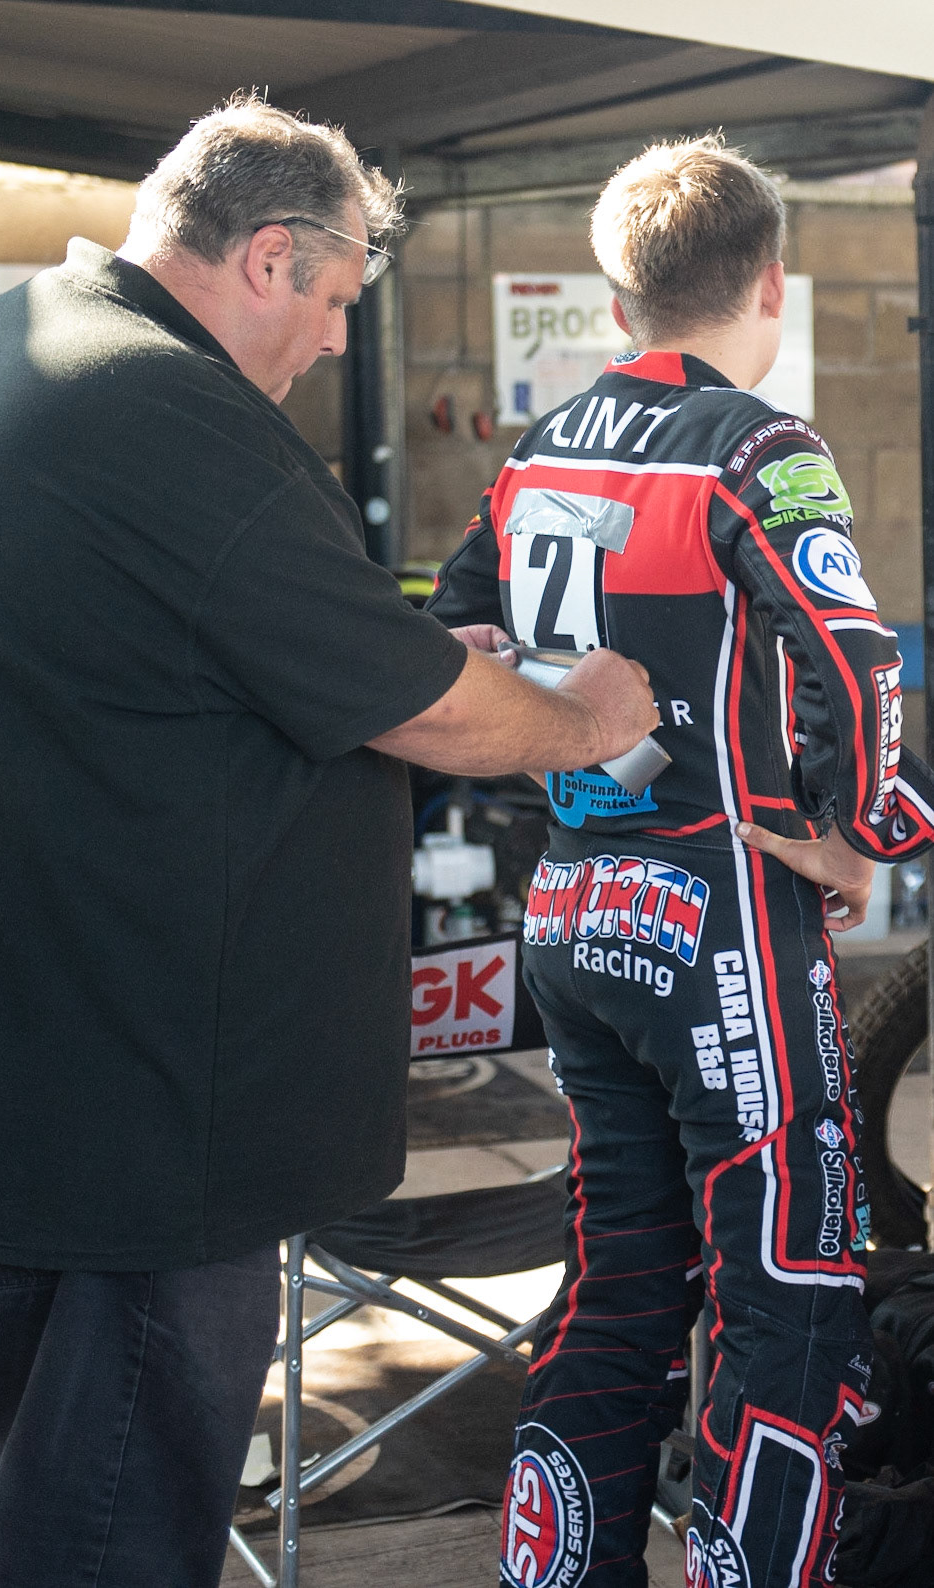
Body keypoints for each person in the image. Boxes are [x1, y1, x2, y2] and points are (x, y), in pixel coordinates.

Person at [0, 97, 656, 1588]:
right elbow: (449, 723)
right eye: (340, 300)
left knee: (36, 1485)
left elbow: (154, 649)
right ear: (270, 256)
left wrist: (403, 647)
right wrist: (585, 715)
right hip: (130, 1128)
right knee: (104, 1539)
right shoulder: (166, 409)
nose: (339, 341)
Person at [427, 134, 934, 1588]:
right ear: (770, 284)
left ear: (615, 295)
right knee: (788, 1279)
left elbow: (454, 637)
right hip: (719, 921)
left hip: (572, 907)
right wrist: (871, 829)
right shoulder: (756, 447)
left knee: (616, 1279)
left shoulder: (534, 452)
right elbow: (852, 660)